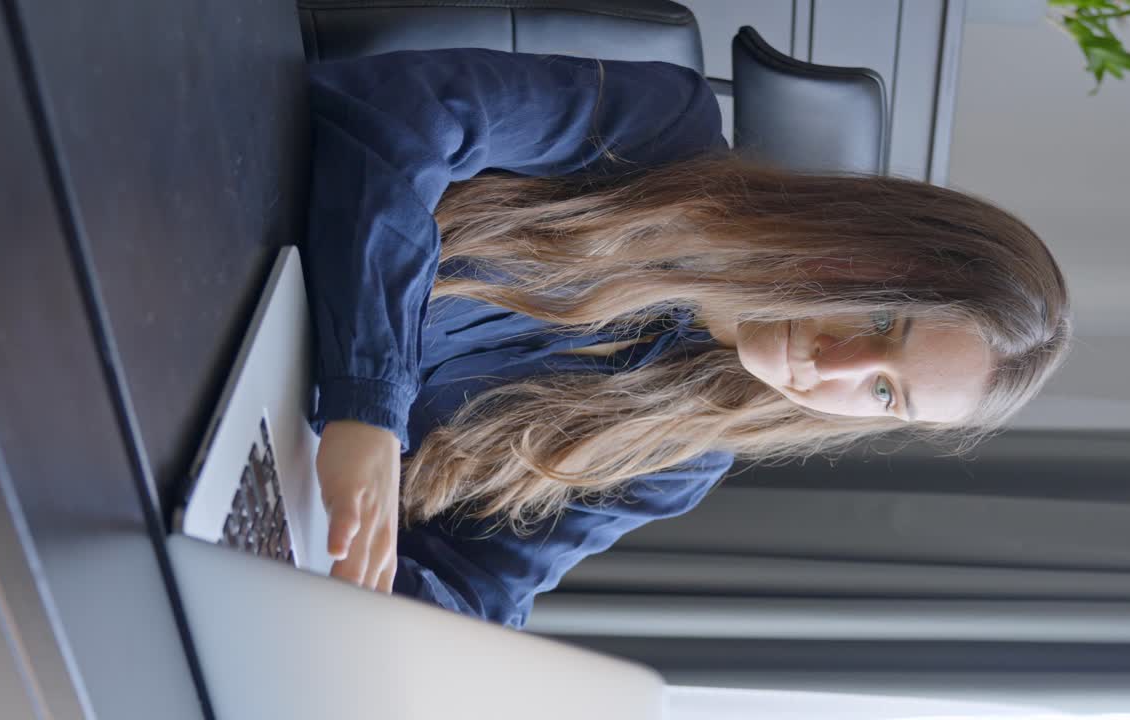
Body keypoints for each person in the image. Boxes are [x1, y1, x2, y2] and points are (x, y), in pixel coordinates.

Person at [302, 47, 1072, 628]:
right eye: (882, 319)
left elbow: (481, 590)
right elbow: (400, 115)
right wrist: (366, 405)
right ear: (874, 238)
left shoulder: (677, 459)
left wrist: (402, 616)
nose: (833, 368)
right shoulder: (660, 131)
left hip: (240, 432)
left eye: (883, 392)